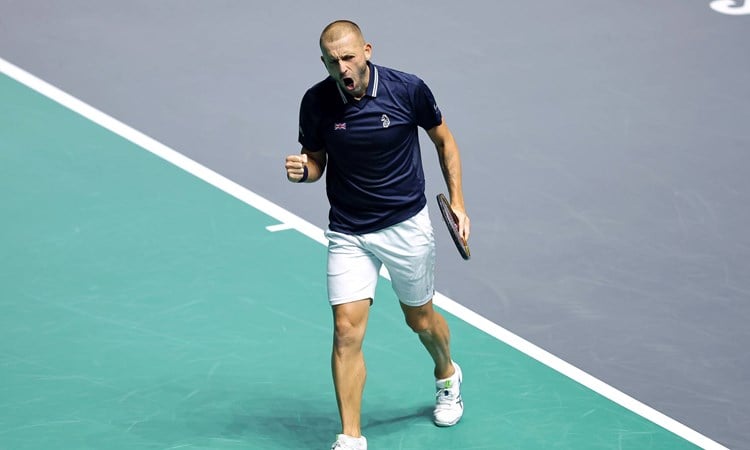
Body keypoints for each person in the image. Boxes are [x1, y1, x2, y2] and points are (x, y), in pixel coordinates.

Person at [284, 20, 470, 450]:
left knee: (419, 320)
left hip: (406, 225)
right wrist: (303, 172)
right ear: (324, 63)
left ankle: (446, 373)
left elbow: (444, 141)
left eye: (348, 57)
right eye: (333, 62)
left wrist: (457, 202)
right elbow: (316, 163)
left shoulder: (407, 90)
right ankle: (350, 437)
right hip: (349, 231)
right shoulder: (316, 102)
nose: (342, 68)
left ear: (366, 51)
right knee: (346, 330)